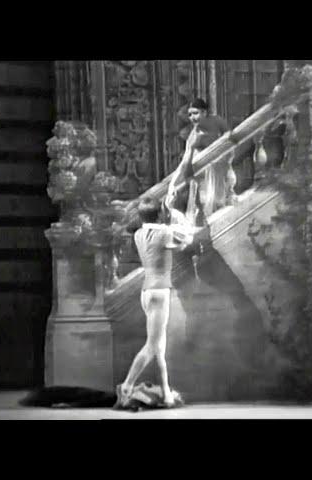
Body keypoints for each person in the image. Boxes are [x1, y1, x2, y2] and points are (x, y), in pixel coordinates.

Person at [114, 194, 195, 409]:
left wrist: (165, 212)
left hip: (146, 292)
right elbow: (188, 238)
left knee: (160, 347)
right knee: (152, 346)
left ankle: (167, 392)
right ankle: (127, 386)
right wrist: (175, 212)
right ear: (160, 214)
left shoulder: (139, 234)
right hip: (159, 292)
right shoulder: (164, 233)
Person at [169, 99, 230, 219]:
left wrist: (219, 145)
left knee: (218, 198)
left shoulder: (217, 121)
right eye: (190, 115)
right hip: (202, 171)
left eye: (195, 113)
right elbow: (186, 160)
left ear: (205, 112)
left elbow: (229, 134)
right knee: (205, 200)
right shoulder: (194, 134)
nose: (192, 117)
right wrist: (177, 182)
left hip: (218, 166)